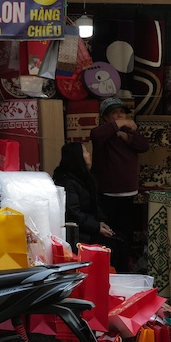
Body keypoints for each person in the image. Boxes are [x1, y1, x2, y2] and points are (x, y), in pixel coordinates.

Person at [89, 96, 149, 272]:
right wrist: (120, 126)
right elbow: (95, 134)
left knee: (126, 234)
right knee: (110, 234)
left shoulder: (129, 135)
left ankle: (123, 268)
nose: (120, 116)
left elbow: (144, 145)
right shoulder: (102, 135)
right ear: (106, 117)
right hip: (108, 193)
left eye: (122, 112)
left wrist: (126, 136)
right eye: (115, 113)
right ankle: (110, 267)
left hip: (128, 193)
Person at [51, 142, 114, 249]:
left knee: (121, 240)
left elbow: (95, 205)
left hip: (90, 226)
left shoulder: (86, 177)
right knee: (111, 246)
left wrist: (101, 222)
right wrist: (96, 227)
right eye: (85, 151)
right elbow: (73, 213)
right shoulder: (67, 182)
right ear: (77, 156)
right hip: (80, 233)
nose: (88, 154)